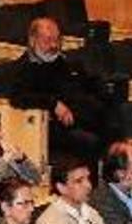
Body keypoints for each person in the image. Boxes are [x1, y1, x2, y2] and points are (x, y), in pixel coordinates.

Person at [10, 17, 105, 161]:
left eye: (57, 40)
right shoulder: (23, 68)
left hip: (78, 117)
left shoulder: (64, 62)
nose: (54, 45)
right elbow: (19, 98)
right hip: (47, 126)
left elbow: (81, 88)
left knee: (112, 125)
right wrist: (53, 103)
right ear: (33, 40)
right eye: (48, 40)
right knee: (88, 141)